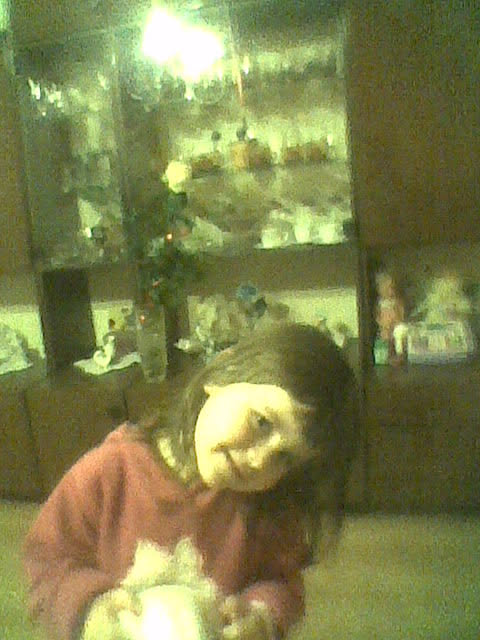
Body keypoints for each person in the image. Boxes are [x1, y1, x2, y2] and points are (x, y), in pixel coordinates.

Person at [23, 322, 359, 640]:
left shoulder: (268, 504)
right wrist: (88, 609)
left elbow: (282, 581)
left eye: (283, 457)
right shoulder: (108, 472)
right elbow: (46, 560)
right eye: (262, 422)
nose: (259, 461)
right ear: (222, 372)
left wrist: (260, 615)